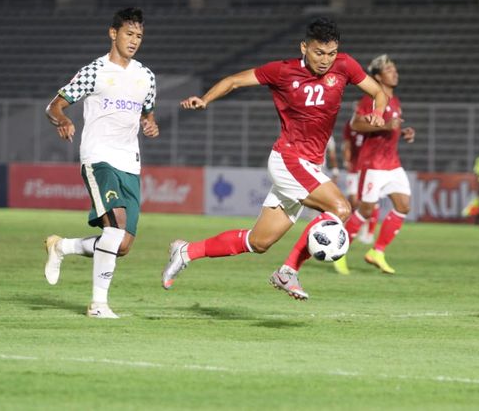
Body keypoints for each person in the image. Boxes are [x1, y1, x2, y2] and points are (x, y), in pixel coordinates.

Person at [161, 17, 388, 300]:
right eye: (319, 52)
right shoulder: (282, 71)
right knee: (341, 209)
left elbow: (378, 92)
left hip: (309, 164)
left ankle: (187, 251)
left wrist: (378, 112)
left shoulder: (345, 65)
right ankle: (288, 271)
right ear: (304, 47)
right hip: (289, 159)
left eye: (331, 53)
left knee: (258, 241)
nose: (325, 60)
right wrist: (206, 99)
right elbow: (234, 81)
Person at [42, 7, 159, 318]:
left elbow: (147, 113)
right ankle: (98, 304)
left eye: (139, 36)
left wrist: (151, 124)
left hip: (130, 164)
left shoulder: (146, 76)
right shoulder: (94, 72)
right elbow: (54, 106)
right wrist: (63, 120)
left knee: (122, 245)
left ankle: (62, 247)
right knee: (116, 226)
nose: (134, 41)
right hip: (99, 158)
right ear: (113, 33)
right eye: (128, 34)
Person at [338, 54, 415, 275]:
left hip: (393, 164)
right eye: (390, 69)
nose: (395, 72)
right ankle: (339, 251)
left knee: (403, 206)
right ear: (378, 77)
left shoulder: (396, 101)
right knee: (365, 210)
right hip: (374, 165)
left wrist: (404, 132)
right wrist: (385, 126)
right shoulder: (370, 99)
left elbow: (390, 127)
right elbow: (355, 124)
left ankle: (377, 251)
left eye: (395, 69)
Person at [341, 107, 380, 246]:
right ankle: (356, 227)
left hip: (368, 168)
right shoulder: (349, 125)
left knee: (370, 201)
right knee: (353, 200)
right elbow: (346, 144)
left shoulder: (371, 124)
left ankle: (369, 232)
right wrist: (346, 160)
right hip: (353, 168)